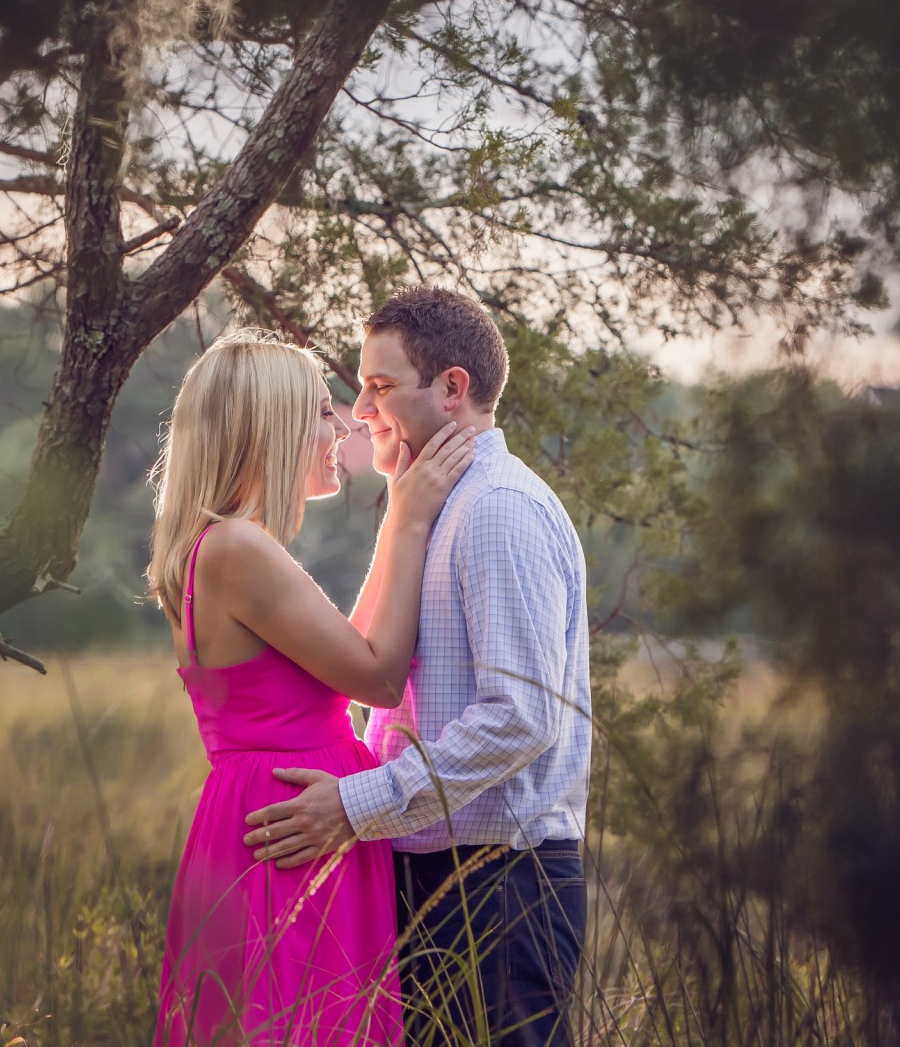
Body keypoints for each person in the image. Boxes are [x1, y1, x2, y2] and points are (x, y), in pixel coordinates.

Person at [243, 288, 591, 1047]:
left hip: (503, 886)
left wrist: (357, 804)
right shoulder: (437, 506)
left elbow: (522, 717)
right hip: (435, 875)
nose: (360, 411)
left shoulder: (499, 509)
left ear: (453, 388)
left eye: (380, 386)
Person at [149, 329, 478, 1047]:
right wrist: (411, 517)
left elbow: (345, 653)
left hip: (282, 816)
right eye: (321, 411)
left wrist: (400, 511)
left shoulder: (227, 544)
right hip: (291, 831)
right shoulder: (238, 547)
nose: (342, 427)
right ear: (269, 425)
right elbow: (379, 677)